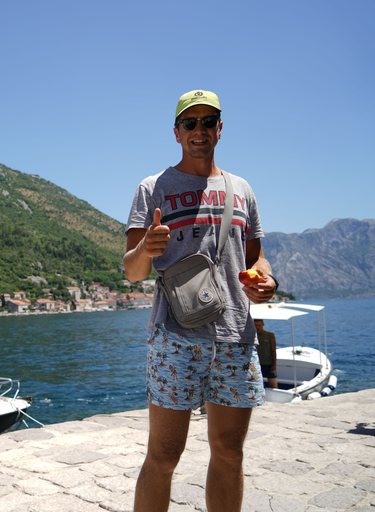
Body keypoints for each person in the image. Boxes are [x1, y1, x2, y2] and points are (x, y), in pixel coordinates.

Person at [123, 90, 278, 512]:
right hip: (175, 337)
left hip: (234, 337)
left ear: (220, 129)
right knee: (163, 456)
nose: (199, 130)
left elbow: (255, 257)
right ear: (176, 133)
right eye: (190, 123)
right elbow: (132, 270)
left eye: (208, 121)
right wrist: (147, 249)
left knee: (229, 452)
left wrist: (267, 279)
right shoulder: (153, 188)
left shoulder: (241, 190)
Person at [254, 319, 278, 388]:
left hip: (268, 364)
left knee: (273, 386)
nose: (257, 327)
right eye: (255, 325)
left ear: (263, 325)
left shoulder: (270, 335)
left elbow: (273, 350)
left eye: (259, 325)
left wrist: (274, 365)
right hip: (257, 364)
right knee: (258, 385)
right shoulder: (251, 336)